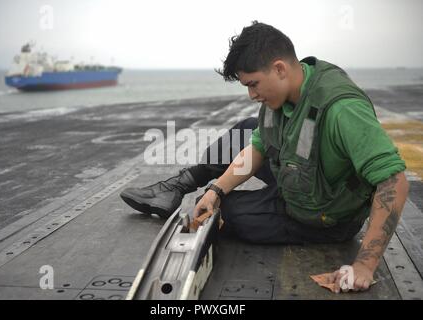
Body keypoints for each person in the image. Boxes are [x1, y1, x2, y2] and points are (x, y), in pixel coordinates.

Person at [120, 21, 409, 293]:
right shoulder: (282, 96)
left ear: (280, 69)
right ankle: (178, 186)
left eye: (254, 84)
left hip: (325, 213)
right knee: (244, 133)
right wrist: (216, 189)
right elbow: (257, 147)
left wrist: (364, 265)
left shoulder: (341, 108)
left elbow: (393, 181)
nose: (251, 94)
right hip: (301, 176)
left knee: (229, 213)